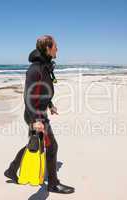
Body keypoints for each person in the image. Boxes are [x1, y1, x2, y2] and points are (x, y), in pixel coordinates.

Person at [4, 35, 75, 194]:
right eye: (55, 46)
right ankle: (53, 184)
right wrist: (36, 120)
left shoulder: (44, 67)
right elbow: (28, 97)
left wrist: (49, 104)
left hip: (38, 113)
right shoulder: (35, 70)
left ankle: (12, 169)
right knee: (51, 146)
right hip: (35, 115)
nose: (58, 49)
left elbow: (41, 92)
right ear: (48, 48)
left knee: (36, 144)